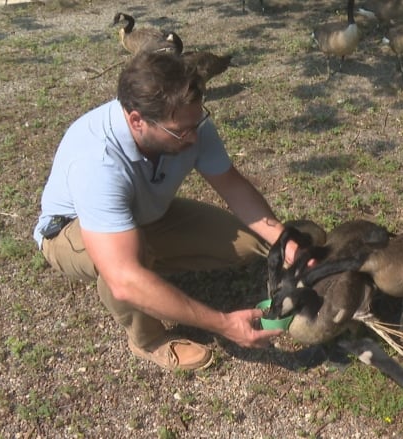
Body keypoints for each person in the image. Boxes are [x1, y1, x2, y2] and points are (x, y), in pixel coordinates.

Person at [32, 51, 304, 371]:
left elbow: (233, 187)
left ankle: (150, 272)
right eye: (181, 131)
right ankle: (148, 340)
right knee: (127, 268)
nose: (193, 137)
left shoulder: (187, 121)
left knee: (247, 243)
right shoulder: (98, 162)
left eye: (197, 122)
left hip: (143, 215)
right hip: (69, 230)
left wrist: (286, 242)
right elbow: (123, 278)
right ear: (137, 121)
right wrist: (223, 324)